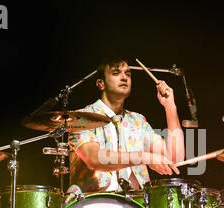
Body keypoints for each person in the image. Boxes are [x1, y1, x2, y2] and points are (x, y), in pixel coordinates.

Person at [68, 56, 185, 193]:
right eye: (116, 73)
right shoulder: (81, 117)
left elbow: (174, 158)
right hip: (94, 207)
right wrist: (144, 157)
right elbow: (94, 159)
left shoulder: (138, 121)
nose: (124, 78)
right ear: (101, 83)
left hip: (135, 206)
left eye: (128, 74)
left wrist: (170, 107)